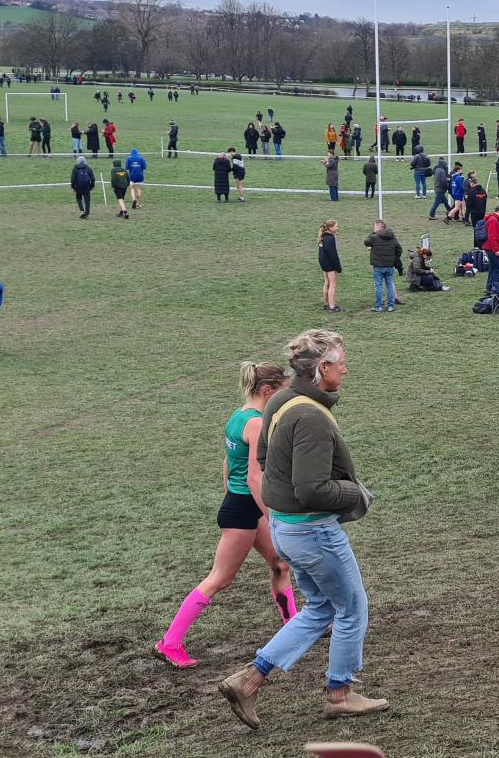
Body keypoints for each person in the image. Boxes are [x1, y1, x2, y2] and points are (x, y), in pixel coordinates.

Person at [217, 330, 388, 728]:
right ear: (321, 367)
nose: (345, 369)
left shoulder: (280, 401)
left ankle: (250, 678)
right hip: (313, 532)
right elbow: (313, 487)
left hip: (285, 528)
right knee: (351, 608)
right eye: (340, 362)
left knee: (321, 608)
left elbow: (263, 460)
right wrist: (355, 492)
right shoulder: (309, 415)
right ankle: (340, 693)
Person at [154, 363, 299, 668]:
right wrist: (272, 516)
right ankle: (169, 643)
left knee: (280, 563)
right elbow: (253, 478)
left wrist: (230, 497)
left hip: (241, 505)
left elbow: (227, 463)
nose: (286, 398)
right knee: (220, 579)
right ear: (268, 391)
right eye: (283, 392)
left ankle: (294, 628)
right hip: (246, 508)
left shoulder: (238, 416)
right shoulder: (257, 424)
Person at [365, 220, 403, 313]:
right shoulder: (392, 237)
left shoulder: (374, 237)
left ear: (379, 227)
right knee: (390, 284)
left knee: (378, 286)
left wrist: (373, 233)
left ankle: (379, 306)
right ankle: (391, 306)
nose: (374, 228)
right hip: (389, 265)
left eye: (375, 226)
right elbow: (399, 250)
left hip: (378, 266)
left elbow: (366, 242)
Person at [318, 221, 343, 312]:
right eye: (336, 226)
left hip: (324, 263)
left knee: (327, 282)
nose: (337, 228)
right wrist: (338, 267)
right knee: (332, 284)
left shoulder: (323, 237)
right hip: (330, 265)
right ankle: (332, 306)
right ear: (330, 228)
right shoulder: (330, 239)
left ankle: (326, 303)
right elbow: (333, 254)